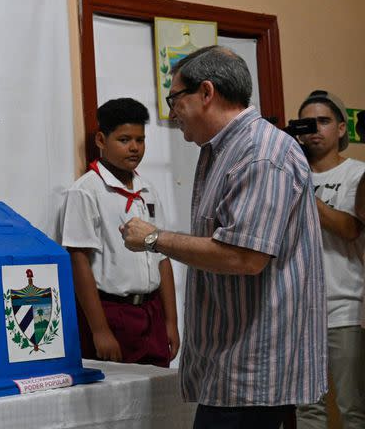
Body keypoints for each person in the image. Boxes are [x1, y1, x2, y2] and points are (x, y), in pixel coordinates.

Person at [120, 46, 327, 428]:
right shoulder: (221, 150)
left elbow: (243, 257)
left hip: (254, 373)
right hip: (231, 367)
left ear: (207, 93)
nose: (172, 113)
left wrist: (154, 238)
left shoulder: (261, 154)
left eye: (174, 99)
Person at [60, 98, 178, 366]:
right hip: (112, 313)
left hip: (151, 312)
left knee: (158, 399)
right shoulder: (86, 190)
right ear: (101, 140)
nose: (134, 147)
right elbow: (78, 259)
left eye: (140, 139)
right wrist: (100, 330)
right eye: (124, 139)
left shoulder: (147, 190)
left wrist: (171, 321)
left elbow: (163, 257)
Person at [294, 91, 365, 429]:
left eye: (323, 121)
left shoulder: (357, 174)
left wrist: (304, 190)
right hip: (299, 311)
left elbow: (350, 228)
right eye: (307, 123)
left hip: (345, 305)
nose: (314, 130)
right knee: (308, 409)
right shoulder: (288, 173)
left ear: (340, 128)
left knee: (353, 406)